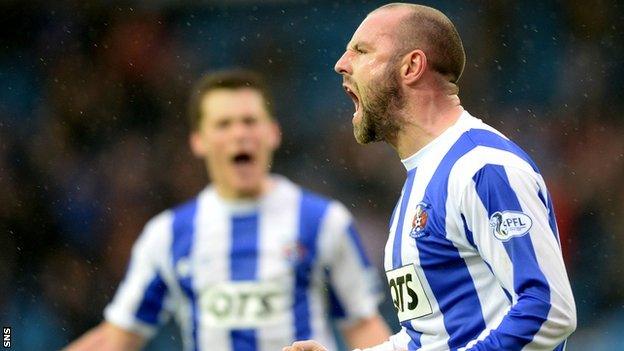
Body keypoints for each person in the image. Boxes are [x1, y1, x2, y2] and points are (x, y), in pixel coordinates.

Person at [284, 3, 576, 351]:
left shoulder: (483, 167)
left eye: (361, 51)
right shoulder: (419, 184)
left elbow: (549, 310)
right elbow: (426, 337)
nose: (340, 64)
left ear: (411, 66)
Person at [64, 69, 390, 351]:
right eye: (223, 124)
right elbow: (118, 336)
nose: (239, 134)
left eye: (249, 121)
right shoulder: (168, 234)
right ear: (198, 141)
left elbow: (362, 325)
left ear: (273, 133)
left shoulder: (323, 221)